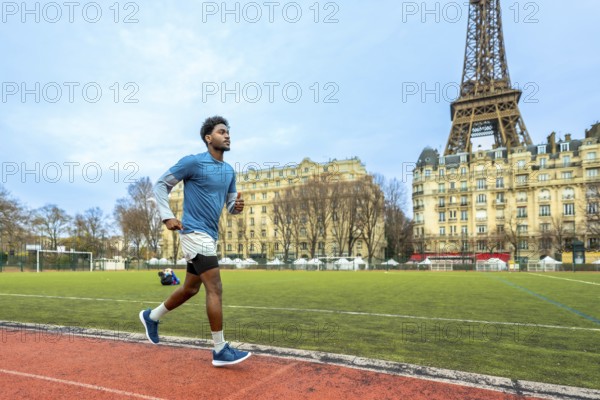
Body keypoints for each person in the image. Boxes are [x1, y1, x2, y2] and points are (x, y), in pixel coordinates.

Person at [139, 116, 251, 367]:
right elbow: (160, 185)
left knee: (190, 288)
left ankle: (152, 316)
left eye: (228, 132)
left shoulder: (229, 172)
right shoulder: (193, 162)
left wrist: (237, 206)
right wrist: (167, 216)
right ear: (208, 138)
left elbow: (231, 206)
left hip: (210, 235)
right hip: (193, 233)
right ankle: (220, 350)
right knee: (216, 288)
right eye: (222, 132)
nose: (227, 135)